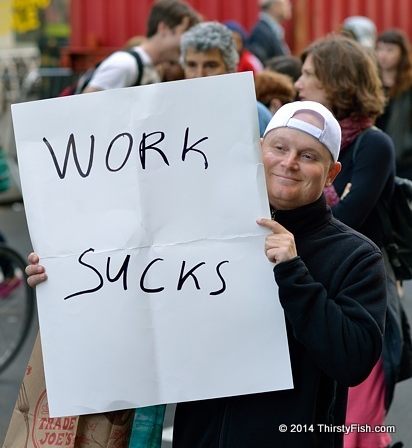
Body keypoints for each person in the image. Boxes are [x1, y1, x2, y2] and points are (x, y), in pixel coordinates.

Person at [26, 101, 387, 447]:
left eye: (308, 156)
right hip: (197, 436)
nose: (289, 162)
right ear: (259, 149)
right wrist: (62, 274)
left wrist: (294, 273)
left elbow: (352, 361)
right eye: (279, 147)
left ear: (332, 172)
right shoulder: (205, 230)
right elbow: (134, 294)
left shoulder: (356, 256)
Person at [295, 33, 403, 448]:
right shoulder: (299, 135)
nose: (299, 84)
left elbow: (346, 220)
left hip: (360, 292)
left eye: (308, 75)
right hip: (309, 286)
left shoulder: (373, 144)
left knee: (357, 428)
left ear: (336, 81)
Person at [82, 0, 200, 92]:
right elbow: (85, 109)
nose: (189, 42)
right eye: (185, 32)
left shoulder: (150, 68)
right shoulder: (124, 65)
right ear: (163, 28)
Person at [179, 21, 272, 136]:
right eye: (192, 65)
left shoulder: (255, 116)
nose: (199, 75)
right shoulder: (171, 114)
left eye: (210, 66)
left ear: (230, 68)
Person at [375, 28, 412, 180]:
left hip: (404, 159)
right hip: (376, 155)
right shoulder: (371, 83)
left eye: (390, 50)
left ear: (401, 53)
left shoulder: (409, 85)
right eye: (379, 49)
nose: (383, 55)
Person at [247, 0, 292, 64]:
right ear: (275, 7)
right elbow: (262, 64)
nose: (289, 7)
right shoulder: (261, 32)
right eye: (286, 3)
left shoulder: (270, 30)